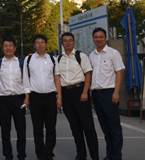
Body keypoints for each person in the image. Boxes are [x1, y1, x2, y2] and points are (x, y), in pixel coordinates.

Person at [58, 32, 99, 160]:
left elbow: (88, 74)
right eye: (65, 40)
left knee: (88, 127)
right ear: (62, 43)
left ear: (74, 42)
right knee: (75, 127)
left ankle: (94, 156)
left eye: (70, 40)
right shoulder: (59, 59)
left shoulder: (81, 56)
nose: (68, 42)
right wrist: (60, 97)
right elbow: (57, 78)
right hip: (66, 93)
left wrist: (85, 92)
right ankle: (81, 154)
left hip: (80, 91)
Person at [23, 34, 62, 160]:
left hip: (50, 97)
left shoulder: (52, 59)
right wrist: (27, 98)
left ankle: (49, 153)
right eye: (37, 42)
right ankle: (40, 154)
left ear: (46, 44)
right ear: (34, 45)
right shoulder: (28, 60)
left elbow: (57, 78)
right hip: (35, 98)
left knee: (51, 128)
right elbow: (26, 80)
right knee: (37, 128)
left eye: (42, 42)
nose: (40, 44)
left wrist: (59, 97)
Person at [89, 28, 125, 160]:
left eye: (101, 37)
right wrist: (92, 94)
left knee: (114, 128)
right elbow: (91, 75)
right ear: (93, 39)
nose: (98, 39)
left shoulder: (113, 53)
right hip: (96, 95)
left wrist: (116, 92)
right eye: (96, 37)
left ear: (105, 38)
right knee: (105, 128)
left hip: (109, 94)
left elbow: (119, 72)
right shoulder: (91, 55)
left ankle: (116, 156)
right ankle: (109, 154)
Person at [0, 38, 27, 160]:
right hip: (3, 100)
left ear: (15, 48)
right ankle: (8, 155)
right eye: (6, 46)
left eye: (10, 45)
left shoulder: (21, 63)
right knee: (5, 130)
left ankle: (21, 155)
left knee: (21, 130)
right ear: (2, 48)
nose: (8, 48)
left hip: (19, 99)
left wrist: (27, 98)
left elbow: (26, 81)